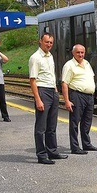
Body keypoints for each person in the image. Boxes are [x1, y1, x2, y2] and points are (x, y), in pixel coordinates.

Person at [29, 33, 67, 165]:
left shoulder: (50, 56)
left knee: (52, 125)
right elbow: (32, 80)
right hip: (42, 91)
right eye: (46, 42)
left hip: (52, 91)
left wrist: (56, 91)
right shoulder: (35, 58)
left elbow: (51, 75)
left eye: (51, 42)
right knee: (41, 127)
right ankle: (41, 154)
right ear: (40, 41)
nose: (49, 45)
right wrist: (38, 99)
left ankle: (52, 151)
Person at [61, 45, 97, 155]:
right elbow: (64, 83)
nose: (80, 54)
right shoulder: (69, 65)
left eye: (82, 52)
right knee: (75, 122)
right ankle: (75, 147)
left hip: (89, 96)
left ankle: (86, 144)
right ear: (73, 53)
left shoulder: (87, 63)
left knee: (87, 122)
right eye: (78, 52)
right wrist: (67, 100)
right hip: (77, 95)